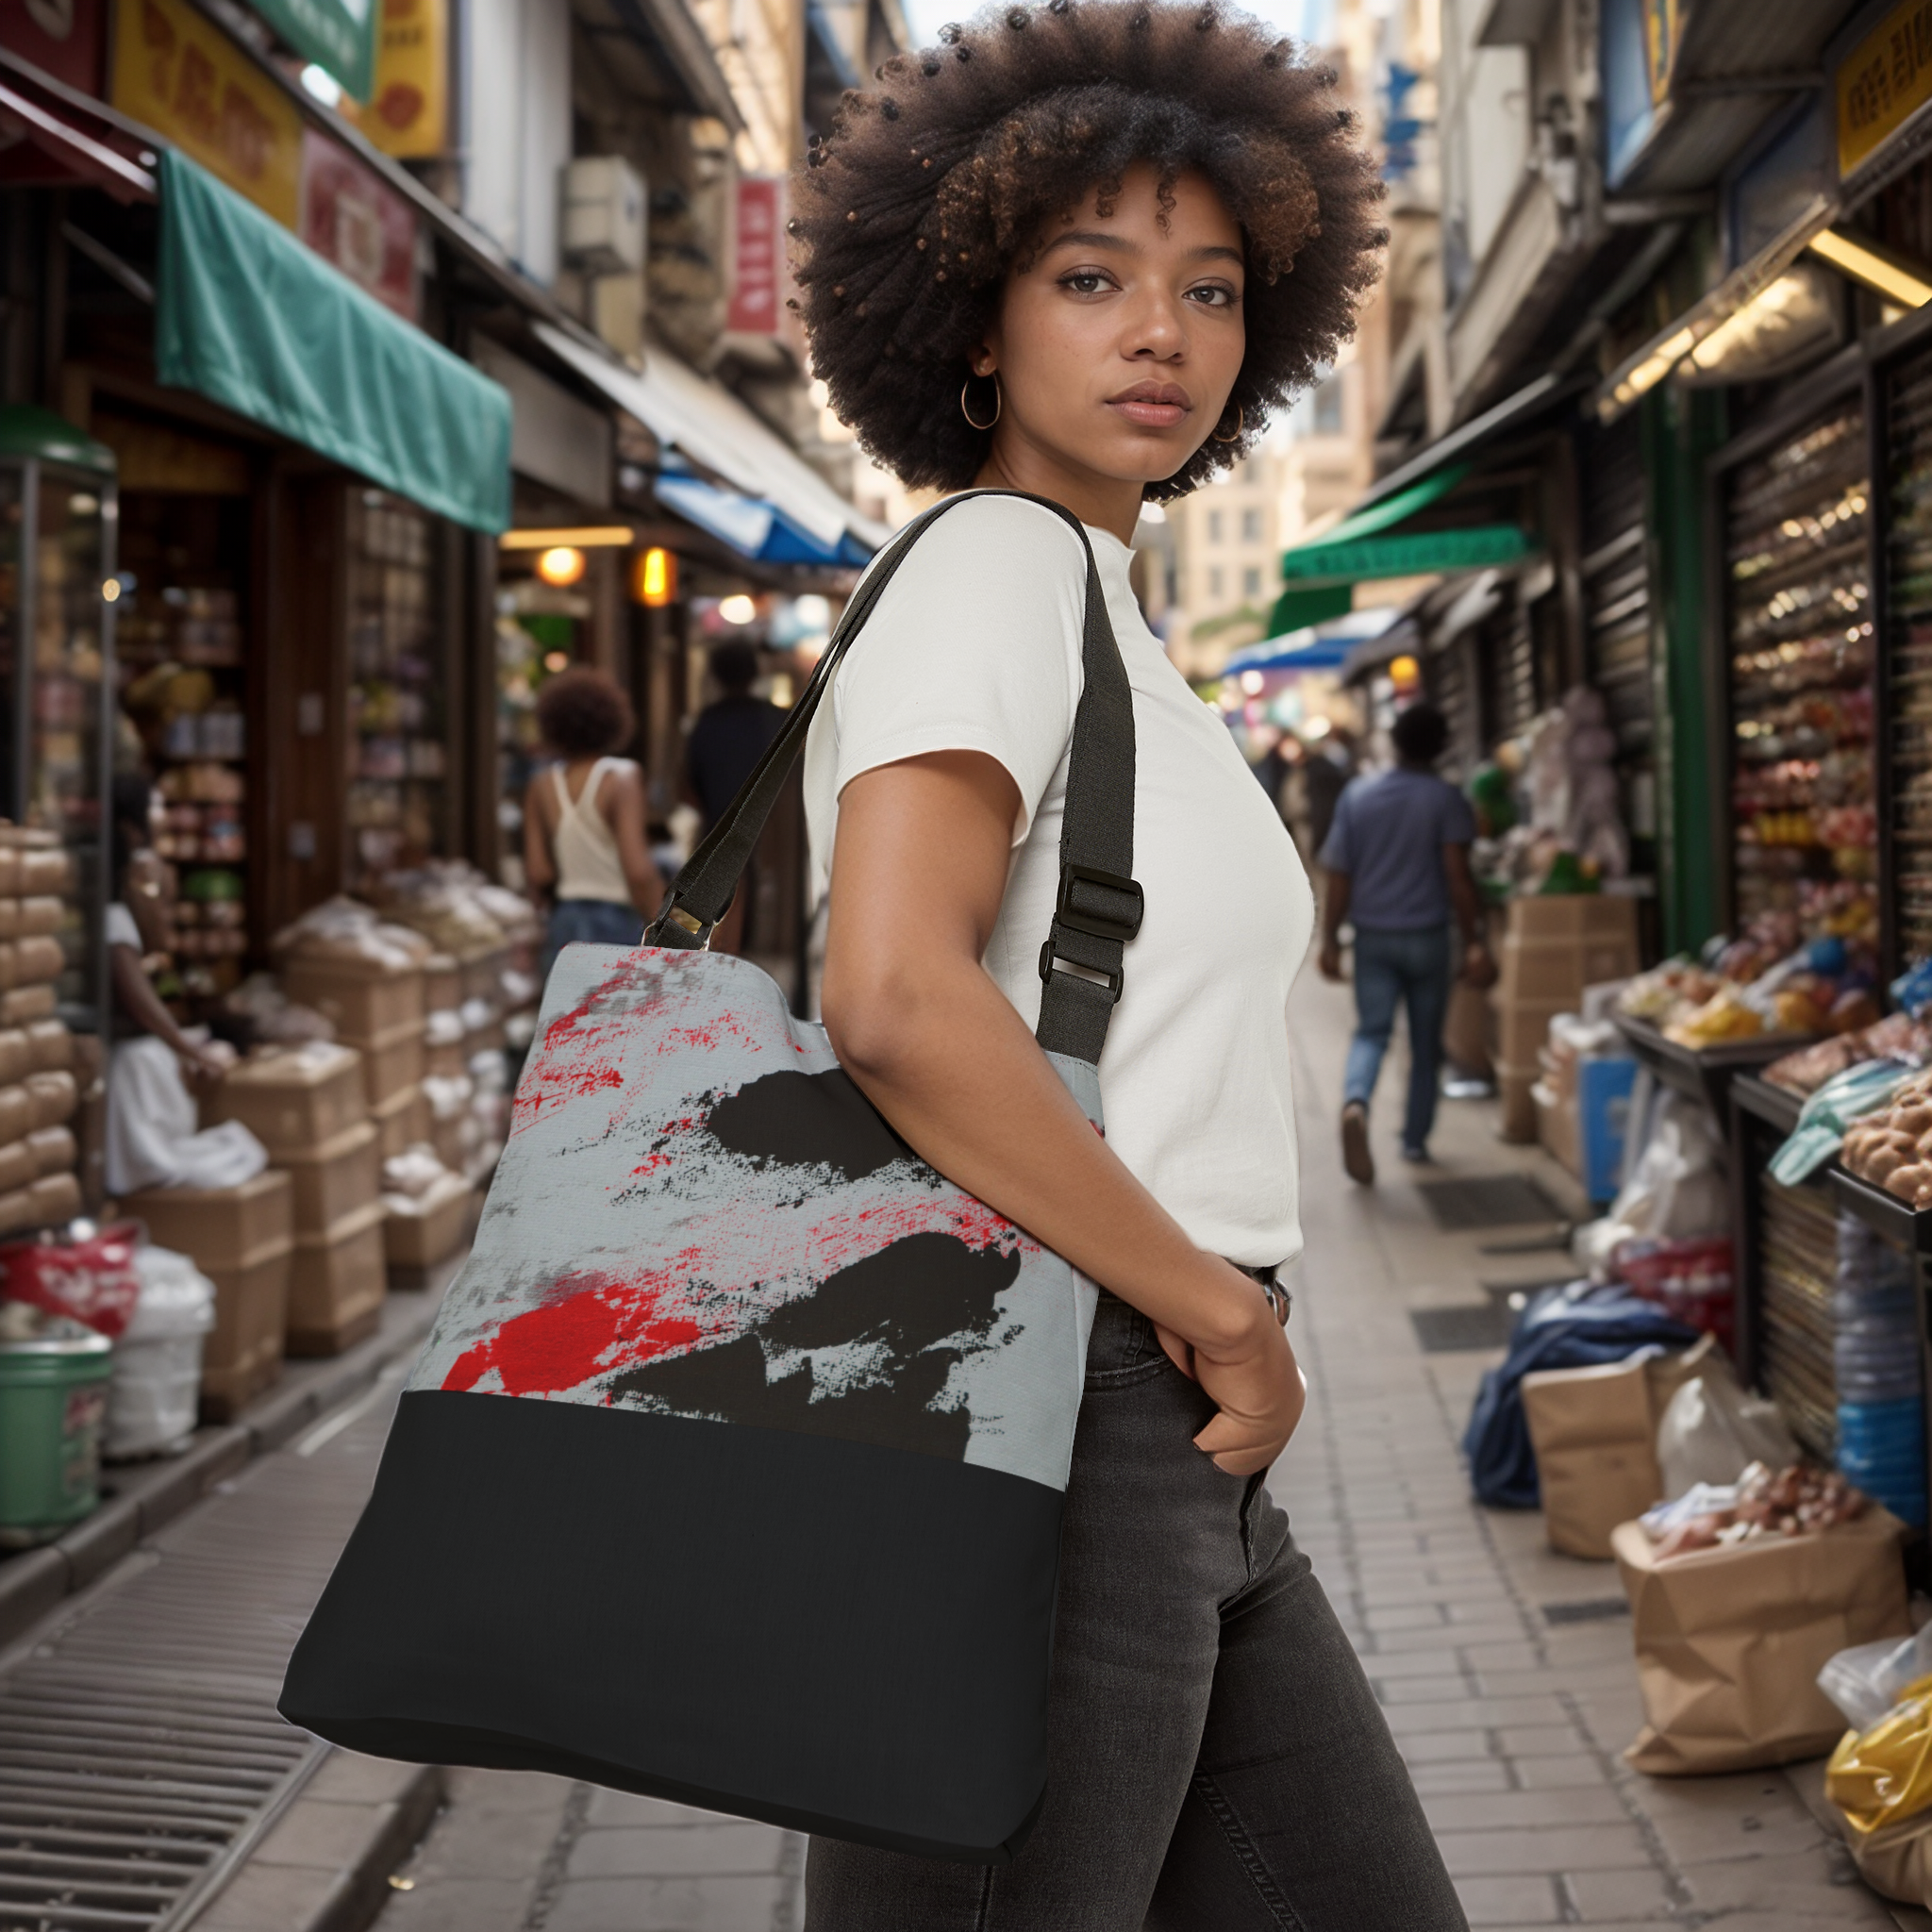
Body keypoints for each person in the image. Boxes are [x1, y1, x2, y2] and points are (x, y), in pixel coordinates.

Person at [790, 7, 1467, 1926]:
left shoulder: (1107, 611)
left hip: (1168, 1432)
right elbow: (895, 995)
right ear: (975, 319)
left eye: (1211, 287)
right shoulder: (993, 565)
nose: (1159, 332)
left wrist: (1218, 1340)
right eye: (1090, 276)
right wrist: (1218, 1312)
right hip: (1059, 1395)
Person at [1317, 703, 1495, 1183]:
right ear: (1440, 747)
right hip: (1429, 939)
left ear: (1394, 743)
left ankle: (1357, 1102)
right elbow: (1458, 878)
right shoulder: (1445, 798)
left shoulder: (1358, 796)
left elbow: (1339, 876)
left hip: (1374, 937)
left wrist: (1331, 940)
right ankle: (1414, 1141)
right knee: (1424, 1043)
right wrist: (1475, 939)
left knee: (1371, 1033)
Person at [523, 668, 663, 980]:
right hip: (615, 922)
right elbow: (638, 869)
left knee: (567, 1027)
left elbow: (538, 872)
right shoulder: (621, 777)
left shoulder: (541, 785)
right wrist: (666, 932)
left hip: (564, 923)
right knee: (622, 1027)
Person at [683, 641, 785, 956]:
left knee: (708, 914)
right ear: (755, 672)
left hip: (715, 834)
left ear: (714, 674)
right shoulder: (776, 719)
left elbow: (686, 785)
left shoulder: (706, 722)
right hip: (772, 837)